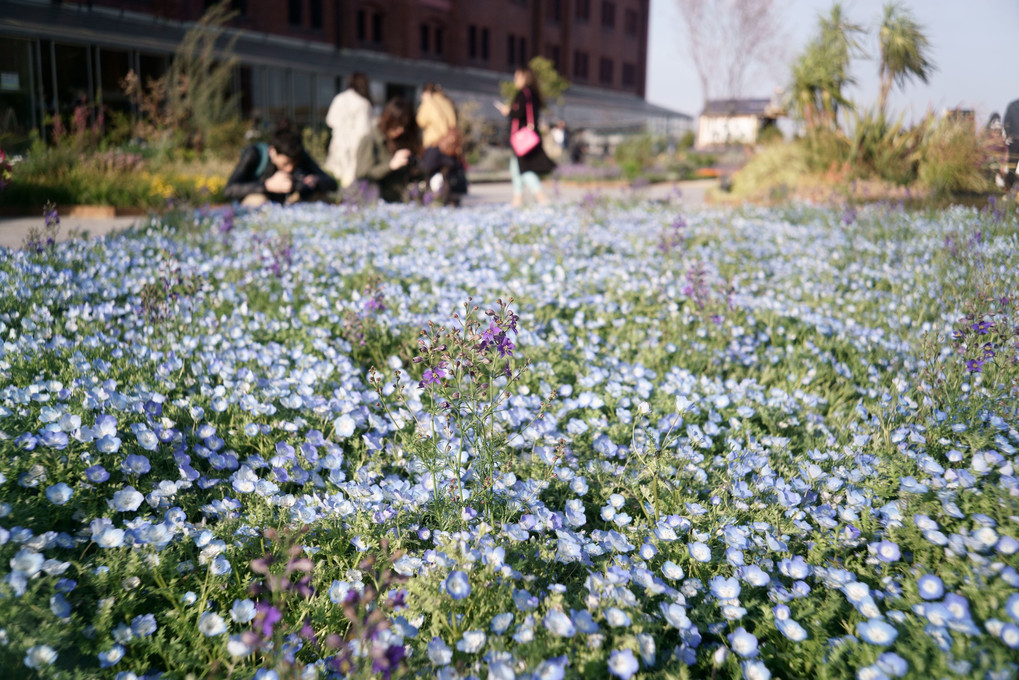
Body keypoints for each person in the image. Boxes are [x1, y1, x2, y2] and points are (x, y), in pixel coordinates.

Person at [224, 122, 337, 206]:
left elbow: (332, 184)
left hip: (289, 206)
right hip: (258, 207)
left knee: (321, 198)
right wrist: (266, 185)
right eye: (285, 163)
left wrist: (315, 180)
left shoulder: (299, 154)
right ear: (272, 151)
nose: (290, 168)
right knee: (259, 201)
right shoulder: (254, 154)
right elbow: (229, 190)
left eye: (294, 163)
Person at [495, 66, 555, 207]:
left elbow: (520, 113)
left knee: (523, 169)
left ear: (524, 78)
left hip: (521, 138)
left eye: (517, 77)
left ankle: (540, 197)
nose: (515, 80)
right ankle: (518, 199)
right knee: (516, 167)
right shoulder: (532, 94)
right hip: (528, 137)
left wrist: (508, 111)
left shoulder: (523, 93)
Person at [355, 97, 422, 203]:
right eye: (397, 126)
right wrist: (390, 166)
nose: (400, 130)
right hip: (372, 201)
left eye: (404, 127)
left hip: (398, 201)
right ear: (388, 120)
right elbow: (362, 174)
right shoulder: (371, 140)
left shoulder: (401, 141)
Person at [416, 83, 467, 205]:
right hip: (449, 146)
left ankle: (427, 199)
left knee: (426, 172)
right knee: (447, 175)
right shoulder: (447, 101)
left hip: (434, 144)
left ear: (426, 93)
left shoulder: (429, 103)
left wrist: (425, 103)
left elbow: (421, 121)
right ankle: (447, 198)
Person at [324, 72, 374, 188]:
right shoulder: (363, 103)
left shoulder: (339, 98)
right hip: (355, 145)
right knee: (352, 179)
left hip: (338, 142)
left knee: (336, 175)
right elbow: (365, 130)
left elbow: (330, 120)